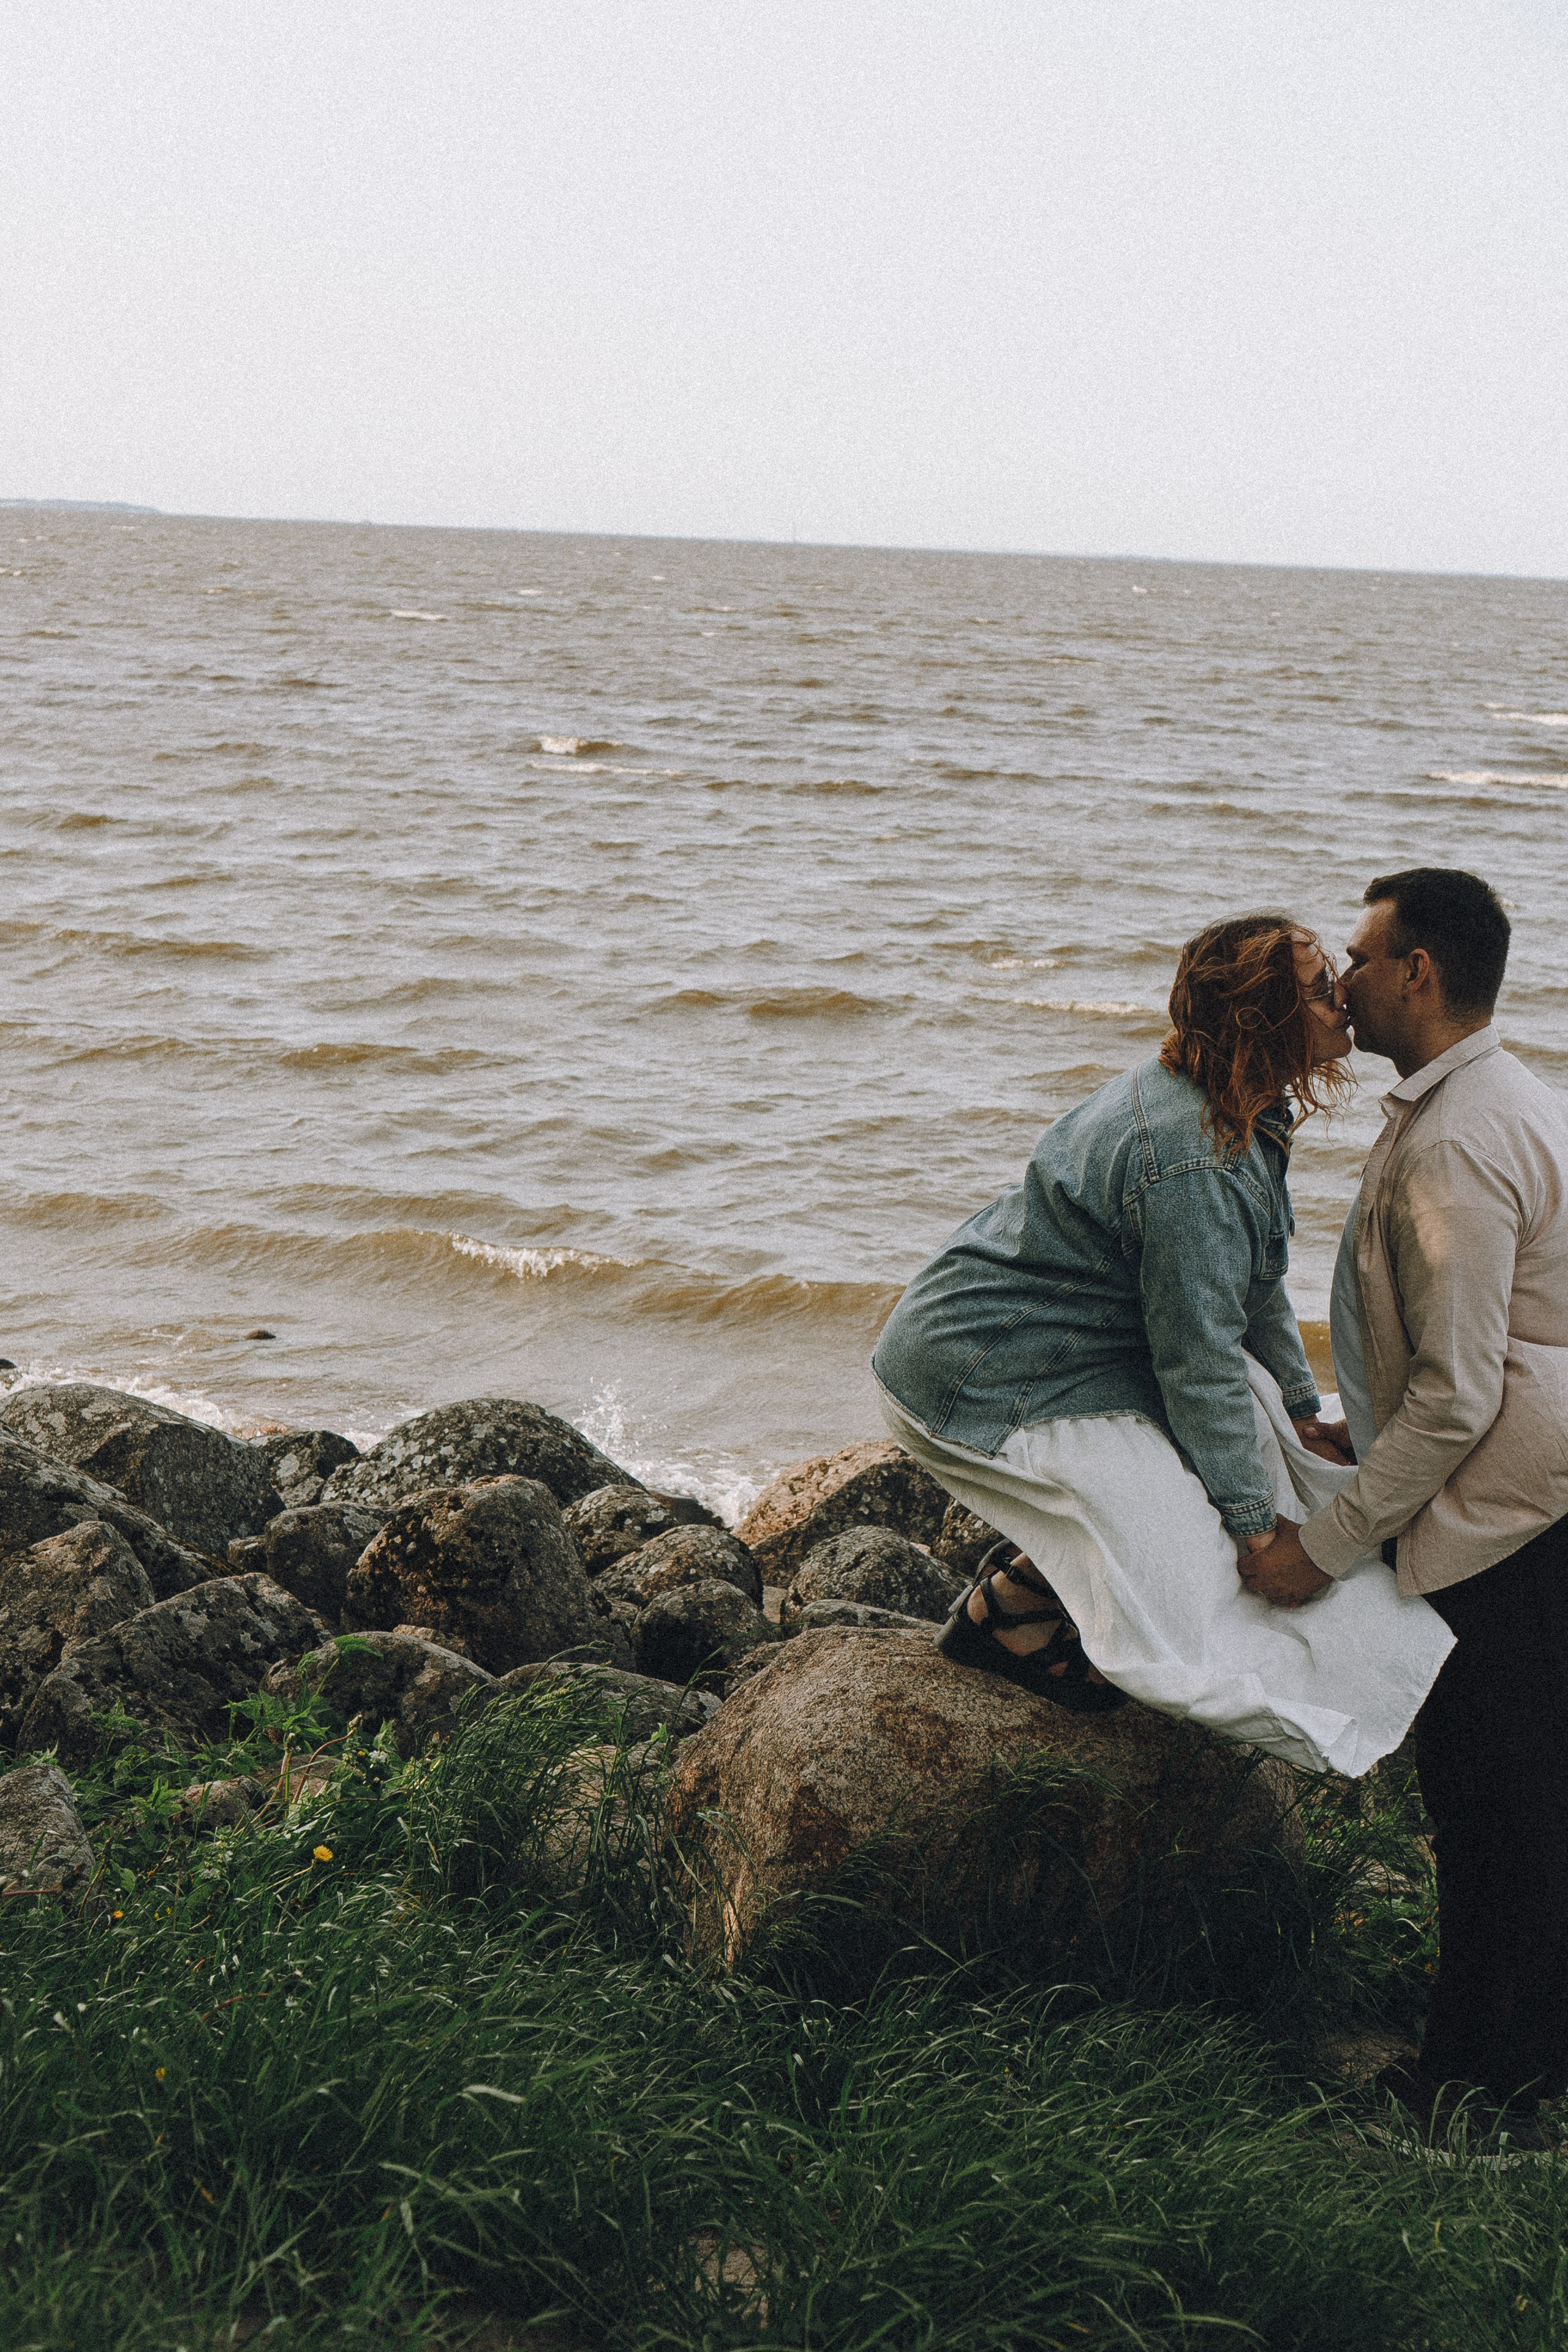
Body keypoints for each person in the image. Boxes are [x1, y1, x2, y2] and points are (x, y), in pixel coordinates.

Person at [872, 912, 1453, 1778]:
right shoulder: (1191, 1157)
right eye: (1314, 982)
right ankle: (1008, 1618)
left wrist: (1298, 1412)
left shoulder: (1241, 1111)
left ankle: (1043, 1580)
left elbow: (1252, 1293)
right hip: (983, 1376)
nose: (1339, 991)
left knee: (1266, 1475)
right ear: (1261, 1019)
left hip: (1081, 1351)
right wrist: (1261, 1535)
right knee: (1203, 1583)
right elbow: (1199, 1364)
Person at [1242, 870, 1568, 2130]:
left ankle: (1462, 2086)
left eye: (1362, 958)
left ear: (1419, 973)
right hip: (1525, 1496)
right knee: (1525, 1801)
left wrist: (1321, 1545)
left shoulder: (1457, 1136)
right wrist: (1347, 1421)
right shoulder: (1489, 1093)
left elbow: (1453, 1394)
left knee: (1488, 1814)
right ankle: (1523, 2063)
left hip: (1506, 1518)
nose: (1343, 982)